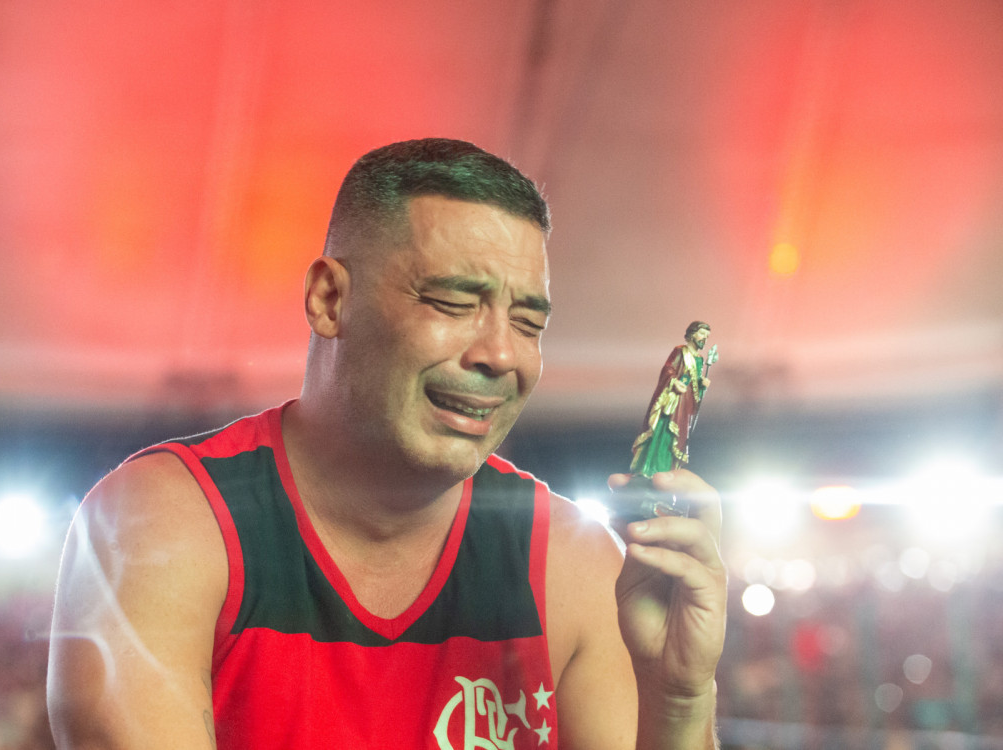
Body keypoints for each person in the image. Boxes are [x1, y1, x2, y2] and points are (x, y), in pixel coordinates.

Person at [47, 138, 727, 749]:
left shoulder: (572, 565)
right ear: (329, 300)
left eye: (528, 323)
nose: (499, 354)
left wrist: (678, 699)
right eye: (453, 303)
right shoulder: (163, 525)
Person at [630, 322, 712, 477]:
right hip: (673, 401)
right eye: (702, 334)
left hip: (685, 404)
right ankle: (651, 469)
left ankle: (667, 469)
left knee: (677, 438)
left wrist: (703, 385)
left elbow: (695, 387)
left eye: (707, 336)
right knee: (665, 431)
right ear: (692, 334)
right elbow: (668, 370)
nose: (704, 339)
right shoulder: (680, 351)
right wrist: (675, 382)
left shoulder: (700, 359)